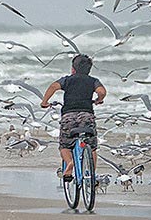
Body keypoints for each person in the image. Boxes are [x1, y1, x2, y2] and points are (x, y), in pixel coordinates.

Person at [40, 53, 106, 181]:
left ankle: (70, 163)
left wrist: (44, 102)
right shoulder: (93, 81)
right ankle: (91, 174)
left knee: (65, 145)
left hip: (69, 116)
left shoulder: (67, 80)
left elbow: (54, 86)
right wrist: (98, 99)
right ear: (89, 69)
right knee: (91, 146)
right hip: (86, 116)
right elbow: (102, 92)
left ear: (73, 69)